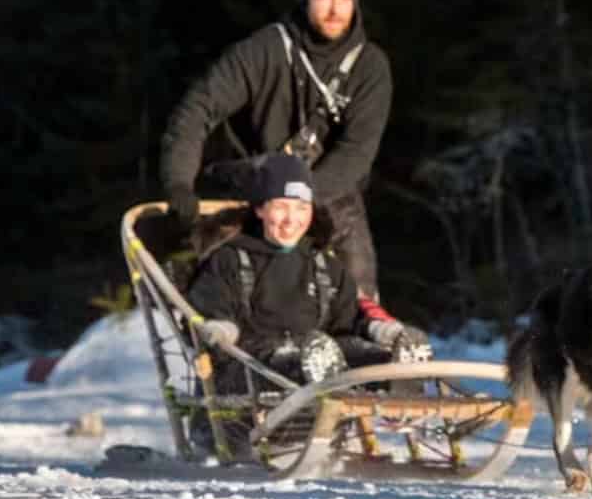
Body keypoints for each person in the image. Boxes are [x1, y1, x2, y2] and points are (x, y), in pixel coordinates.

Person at [160, 0, 393, 300]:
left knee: (354, 272)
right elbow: (197, 110)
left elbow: (357, 151)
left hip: (328, 192)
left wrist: (300, 200)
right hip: (251, 185)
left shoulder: (370, 67)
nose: (335, 9)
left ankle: (368, 326)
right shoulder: (265, 50)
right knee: (230, 282)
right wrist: (179, 183)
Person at [184, 154, 429, 393]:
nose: (292, 219)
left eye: (302, 208)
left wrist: (380, 330)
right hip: (250, 368)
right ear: (260, 209)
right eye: (281, 207)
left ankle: (399, 375)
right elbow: (209, 310)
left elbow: (350, 318)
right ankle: (318, 374)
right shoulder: (229, 259)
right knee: (300, 362)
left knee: (365, 357)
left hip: (319, 357)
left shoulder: (323, 264)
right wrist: (220, 330)